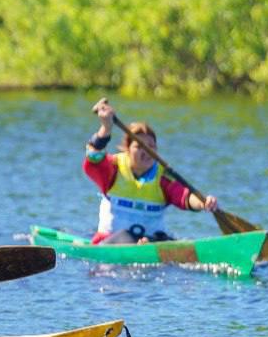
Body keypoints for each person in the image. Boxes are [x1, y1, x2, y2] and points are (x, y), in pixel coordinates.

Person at [84, 97, 218, 244]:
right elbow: (93, 158)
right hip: (111, 242)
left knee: (164, 239)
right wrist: (106, 128)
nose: (146, 151)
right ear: (127, 149)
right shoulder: (113, 169)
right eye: (139, 146)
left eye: (151, 146)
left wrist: (203, 203)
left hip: (152, 242)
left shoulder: (163, 178)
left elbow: (184, 197)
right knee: (126, 236)